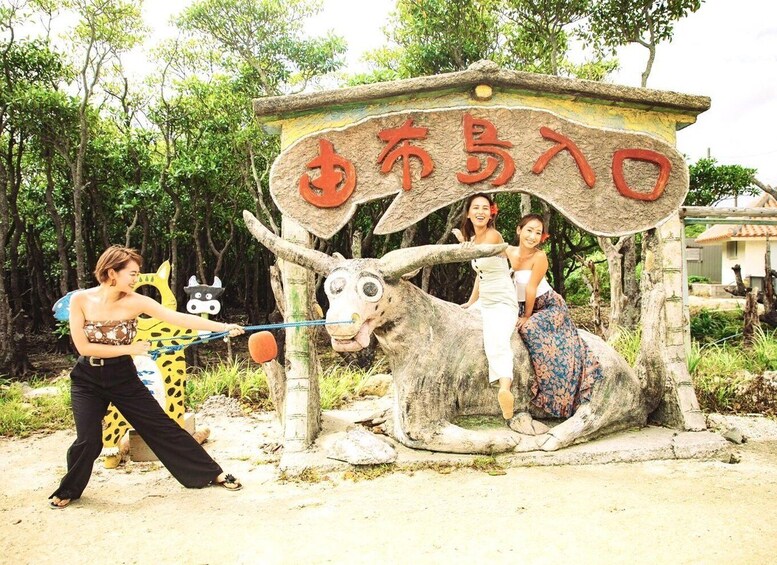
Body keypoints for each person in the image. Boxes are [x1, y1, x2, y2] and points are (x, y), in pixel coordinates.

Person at [49, 246, 245, 509]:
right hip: (87, 379)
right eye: (132, 273)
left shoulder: (135, 301)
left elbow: (178, 318)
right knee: (88, 440)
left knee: (161, 427)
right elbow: (84, 348)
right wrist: (130, 348)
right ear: (111, 272)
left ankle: (212, 473)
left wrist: (223, 327)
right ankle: (69, 489)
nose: (136, 279)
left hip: (122, 376)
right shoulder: (81, 300)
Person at [507, 214, 603, 425]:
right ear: (519, 230)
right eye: (529, 230)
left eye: (538, 233)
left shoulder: (539, 257)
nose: (533, 236)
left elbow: (531, 288)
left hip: (548, 306)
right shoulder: (508, 251)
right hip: (522, 305)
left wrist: (526, 316)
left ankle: (558, 396)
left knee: (529, 329)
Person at [454, 193, 519, 421]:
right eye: (476, 208)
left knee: (497, 340)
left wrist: (464, 246)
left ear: (490, 213)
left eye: (485, 208)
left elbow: (478, 253)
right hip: (484, 300)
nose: (480, 212)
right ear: (468, 213)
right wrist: (471, 302)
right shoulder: (473, 239)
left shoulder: (493, 235)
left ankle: (505, 389)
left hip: (502, 300)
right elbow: (479, 275)